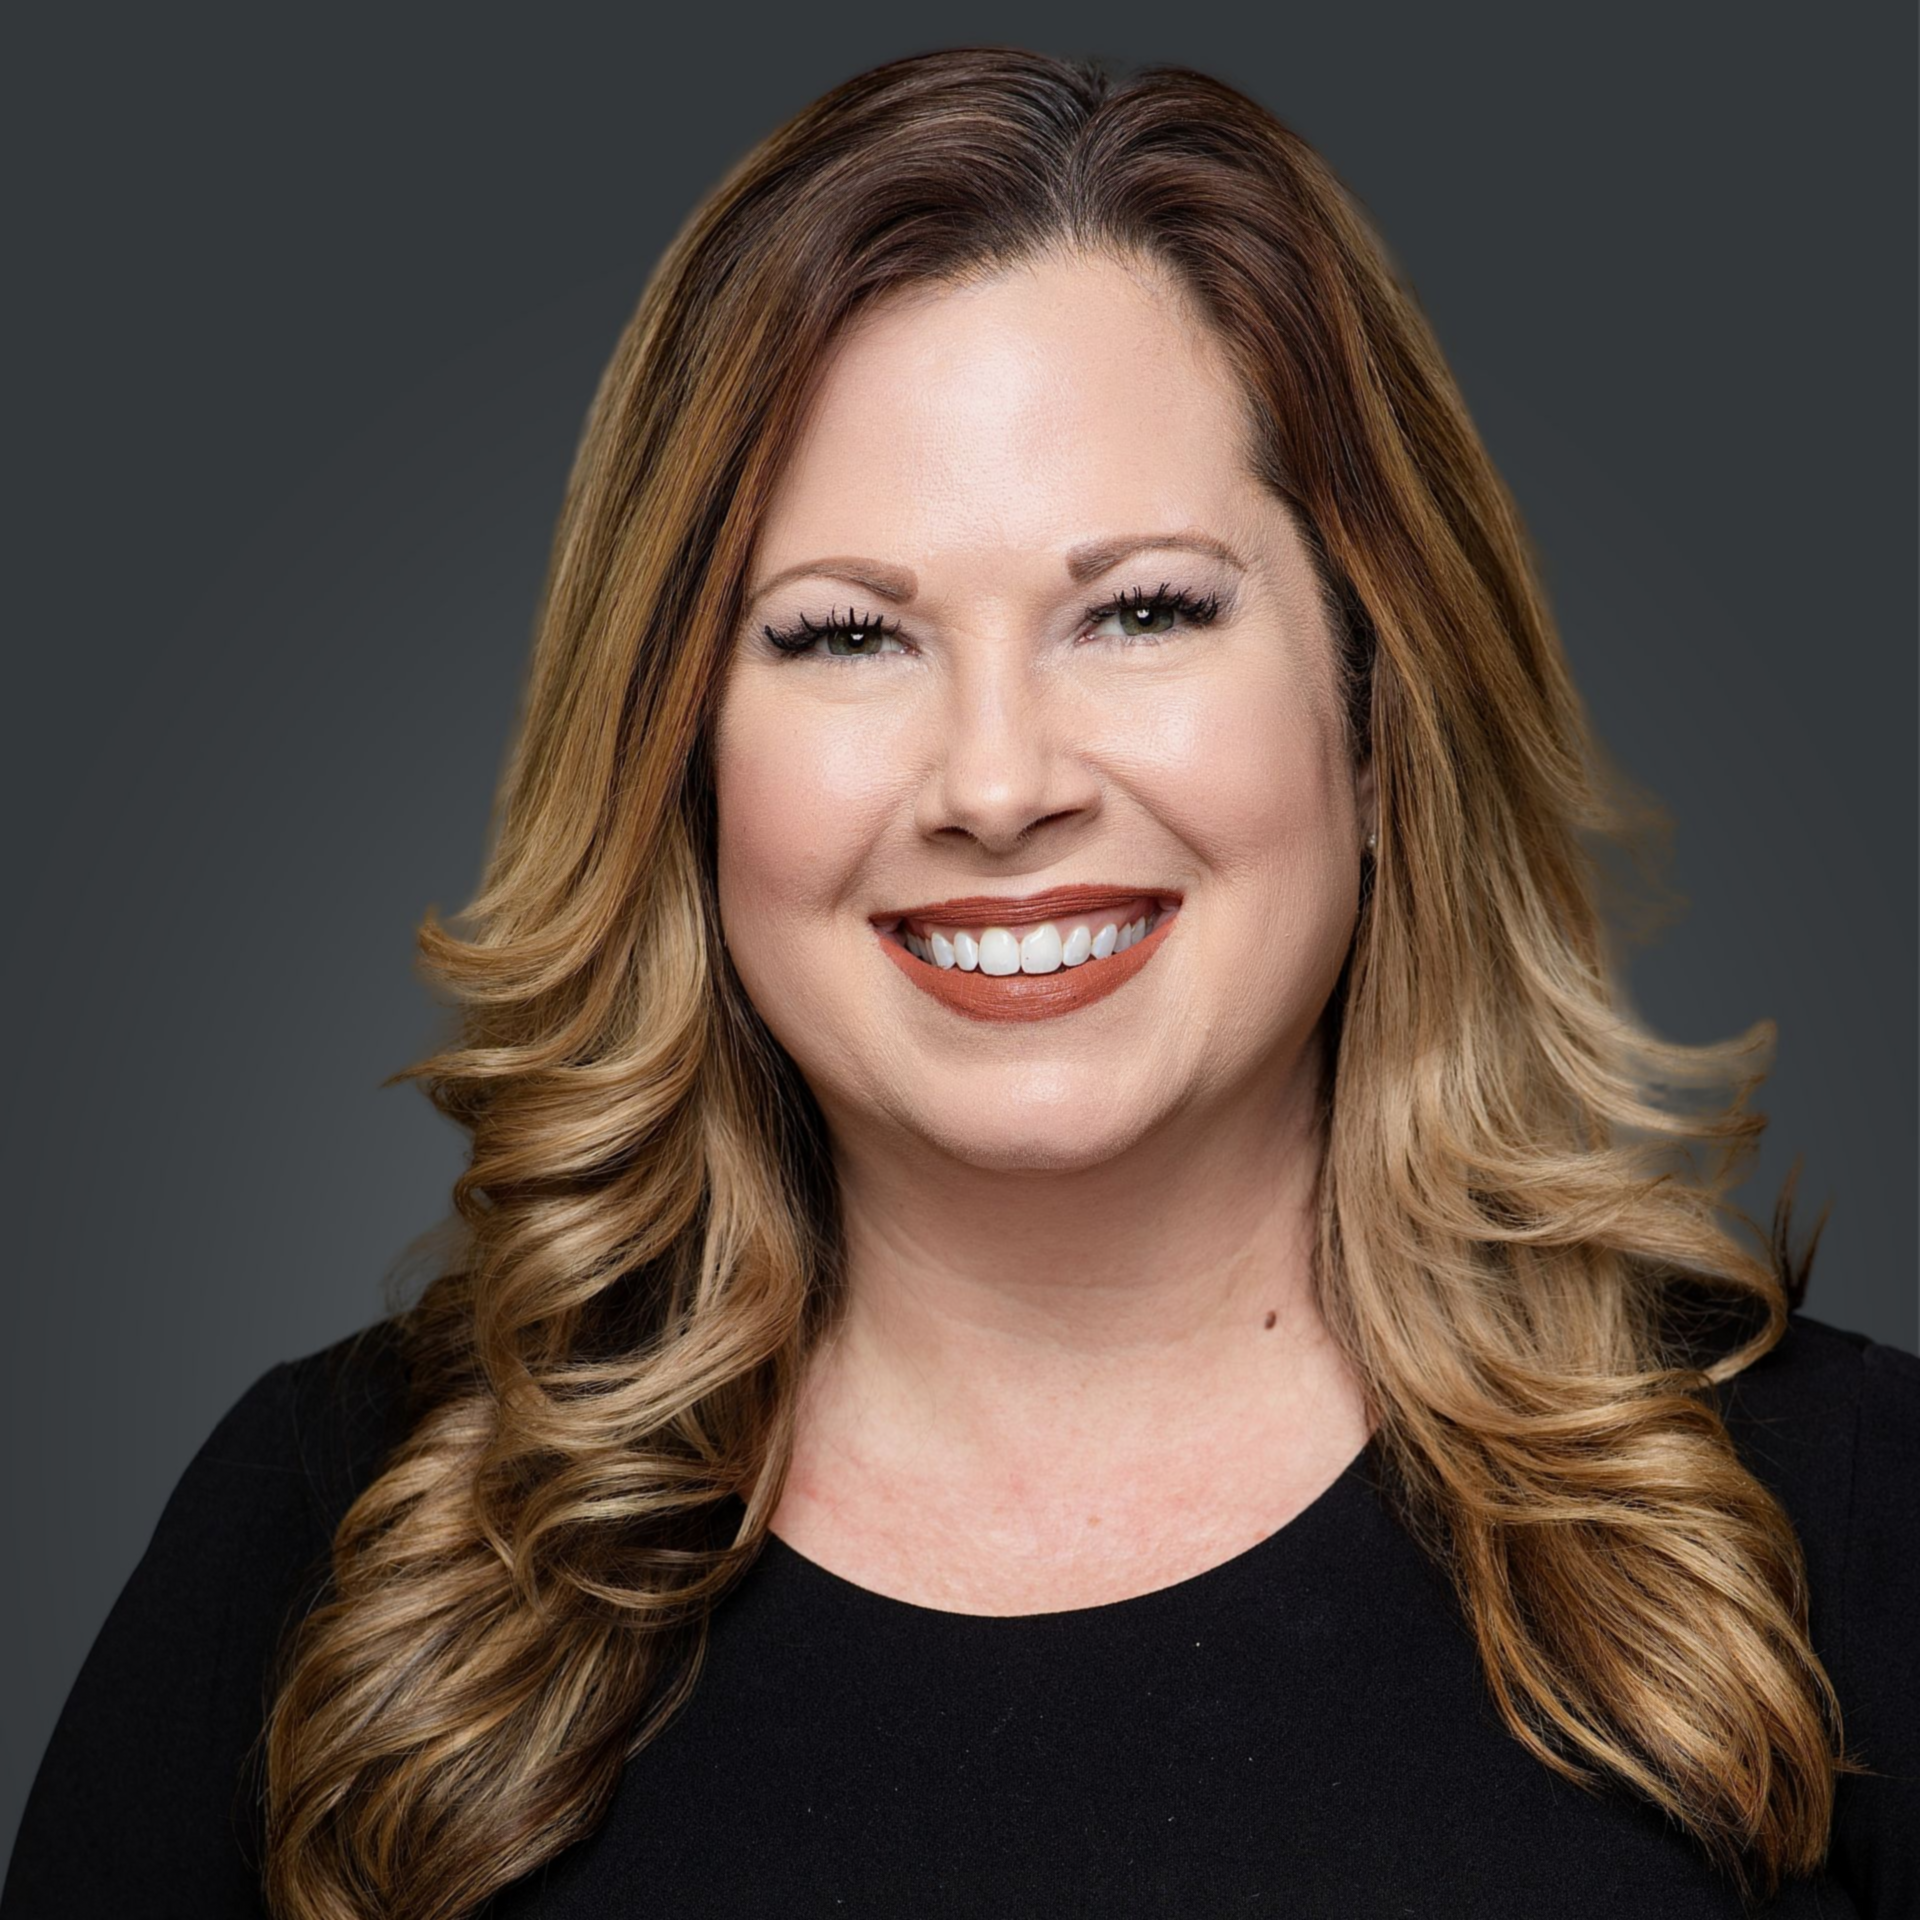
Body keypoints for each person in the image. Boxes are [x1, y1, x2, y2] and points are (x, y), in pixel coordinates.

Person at [5, 44, 1914, 1920]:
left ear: (1376, 706)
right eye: (847, 637)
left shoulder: (1848, 1530)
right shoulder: (336, 1558)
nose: (999, 786)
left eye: (1142, 611)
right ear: (683, 759)